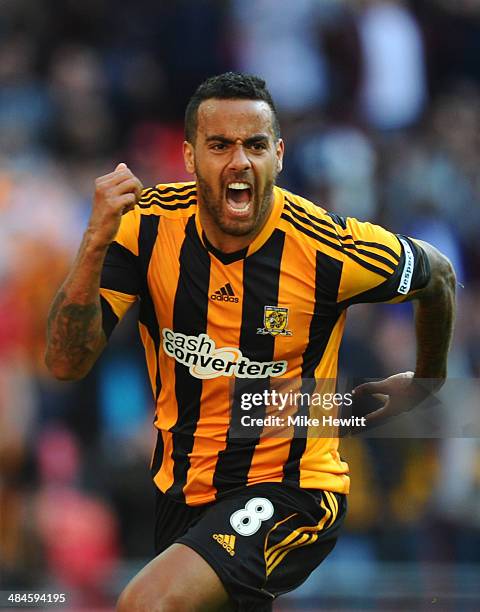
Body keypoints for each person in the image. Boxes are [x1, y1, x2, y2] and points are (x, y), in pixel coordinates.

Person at [45, 72, 456, 612]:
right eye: (220, 146)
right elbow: (65, 362)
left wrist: (427, 380)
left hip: (293, 488)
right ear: (190, 157)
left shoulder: (327, 247)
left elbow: (439, 276)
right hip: (181, 492)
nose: (239, 162)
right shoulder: (144, 228)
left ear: (278, 155)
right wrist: (94, 242)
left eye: (255, 145)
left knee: (146, 603)